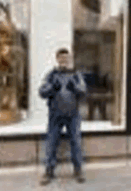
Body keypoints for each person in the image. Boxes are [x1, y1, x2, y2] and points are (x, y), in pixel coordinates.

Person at [39, 48, 87, 185]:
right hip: (55, 115)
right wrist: (52, 88)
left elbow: (83, 92)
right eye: (61, 58)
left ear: (69, 59)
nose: (64, 60)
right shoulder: (51, 75)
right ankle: (48, 171)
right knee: (51, 143)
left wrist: (75, 88)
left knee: (76, 143)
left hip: (73, 115)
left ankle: (78, 170)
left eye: (66, 58)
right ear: (57, 59)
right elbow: (42, 92)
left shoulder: (76, 74)